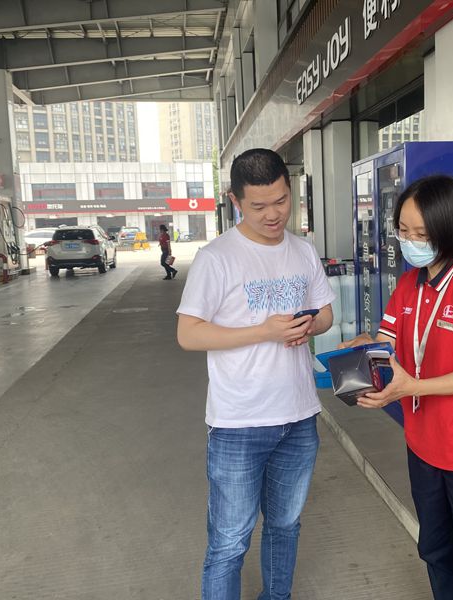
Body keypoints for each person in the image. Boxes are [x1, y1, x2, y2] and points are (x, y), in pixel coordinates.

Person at [341, 175, 453, 600]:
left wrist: (413, 385)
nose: (409, 242)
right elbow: (386, 343)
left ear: (450, 229)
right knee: (438, 555)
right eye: (403, 231)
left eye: (420, 233)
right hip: (424, 447)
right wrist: (364, 348)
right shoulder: (409, 285)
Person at [176, 148, 335, 600]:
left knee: (285, 526)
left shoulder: (303, 251)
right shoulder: (217, 257)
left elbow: (325, 313)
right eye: (259, 206)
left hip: (299, 417)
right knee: (229, 541)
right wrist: (263, 331)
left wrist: (308, 326)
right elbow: (188, 334)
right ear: (236, 200)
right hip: (238, 424)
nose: (273, 214)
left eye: (281, 201)